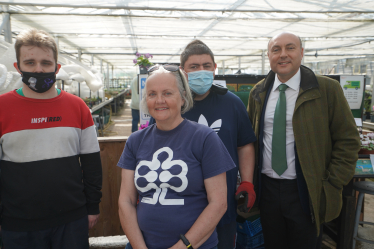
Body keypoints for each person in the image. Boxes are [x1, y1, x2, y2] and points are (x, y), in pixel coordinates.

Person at [247, 32, 361, 248]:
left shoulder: (326, 90)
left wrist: (332, 181)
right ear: (269, 56)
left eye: (290, 48)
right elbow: (251, 139)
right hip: (268, 190)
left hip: (306, 190)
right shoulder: (259, 92)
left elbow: (348, 140)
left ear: (301, 53)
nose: (283, 55)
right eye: (276, 49)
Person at [149, 40, 257, 249]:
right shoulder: (170, 105)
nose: (202, 71)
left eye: (207, 66)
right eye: (194, 67)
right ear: (183, 71)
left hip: (222, 203)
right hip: (179, 205)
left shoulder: (232, 103)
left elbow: (244, 145)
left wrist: (247, 182)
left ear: (215, 68)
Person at [0, 28, 103, 249]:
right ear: (18, 67)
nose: (38, 69)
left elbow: (91, 162)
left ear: (57, 67)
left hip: (71, 219)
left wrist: (92, 206)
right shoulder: (2, 108)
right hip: (18, 223)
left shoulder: (78, 107)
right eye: (30, 63)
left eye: (46, 63)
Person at [118, 64, 236, 249]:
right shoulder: (135, 141)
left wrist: (183, 247)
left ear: (182, 98)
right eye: (152, 94)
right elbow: (126, 201)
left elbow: (219, 203)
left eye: (167, 93)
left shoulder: (205, 138)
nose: (159, 100)